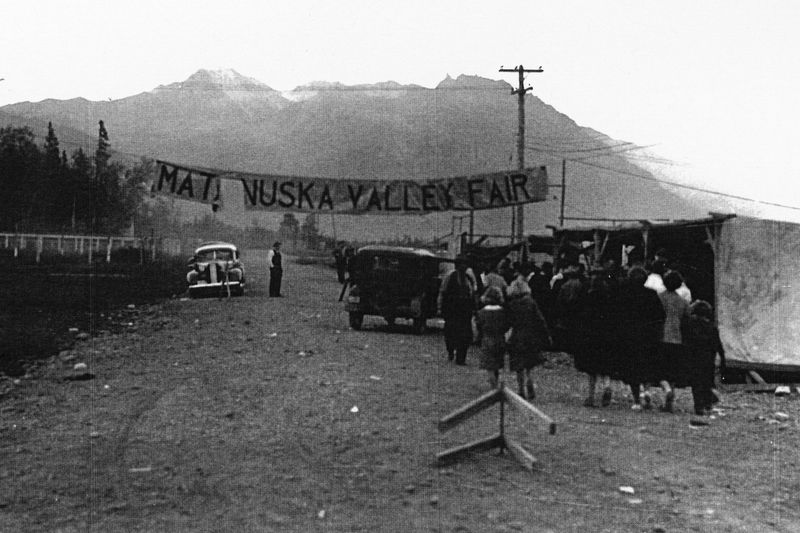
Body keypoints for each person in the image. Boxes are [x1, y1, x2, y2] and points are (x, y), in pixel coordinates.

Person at [616, 266, 666, 410]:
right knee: (647, 366)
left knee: (633, 369)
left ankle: (637, 400)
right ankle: (647, 391)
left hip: (630, 336)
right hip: (648, 336)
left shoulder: (625, 294)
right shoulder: (651, 294)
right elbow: (661, 315)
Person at [506, 279, 552, 400]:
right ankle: (529, 380)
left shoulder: (512, 304)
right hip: (531, 336)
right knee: (529, 363)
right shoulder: (531, 302)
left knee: (518, 366)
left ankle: (521, 389)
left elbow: (508, 321)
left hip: (517, 336)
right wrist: (546, 335)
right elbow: (540, 319)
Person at [654, 270, 691, 412]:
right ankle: (669, 403)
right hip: (677, 338)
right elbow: (686, 318)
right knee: (673, 371)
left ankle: (667, 389)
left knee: (660, 371)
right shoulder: (683, 302)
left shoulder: (659, 298)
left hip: (662, 336)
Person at [684, 300, 726, 416]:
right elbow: (718, 345)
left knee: (696, 383)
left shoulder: (691, 326)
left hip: (695, 358)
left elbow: (687, 342)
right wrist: (722, 359)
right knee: (707, 382)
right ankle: (707, 404)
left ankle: (699, 406)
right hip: (708, 359)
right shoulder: (711, 328)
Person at [437, 255, 476, 365]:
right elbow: (442, 292)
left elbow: (472, 292)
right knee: (450, 333)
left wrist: (473, 307)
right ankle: (450, 350)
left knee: (465, 335)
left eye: (465, 264)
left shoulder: (469, 278)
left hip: (465, 311)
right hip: (452, 310)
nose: (464, 266)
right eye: (461, 264)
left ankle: (461, 358)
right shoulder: (450, 276)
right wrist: (440, 307)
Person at [474, 286, 509, 388]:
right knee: (497, 364)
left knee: (489, 366)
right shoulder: (503, 312)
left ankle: (493, 387)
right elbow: (506, 325)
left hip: (487, 339)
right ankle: (496, 383)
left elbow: (478, 326)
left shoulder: (481, 312)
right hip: (500, 339)